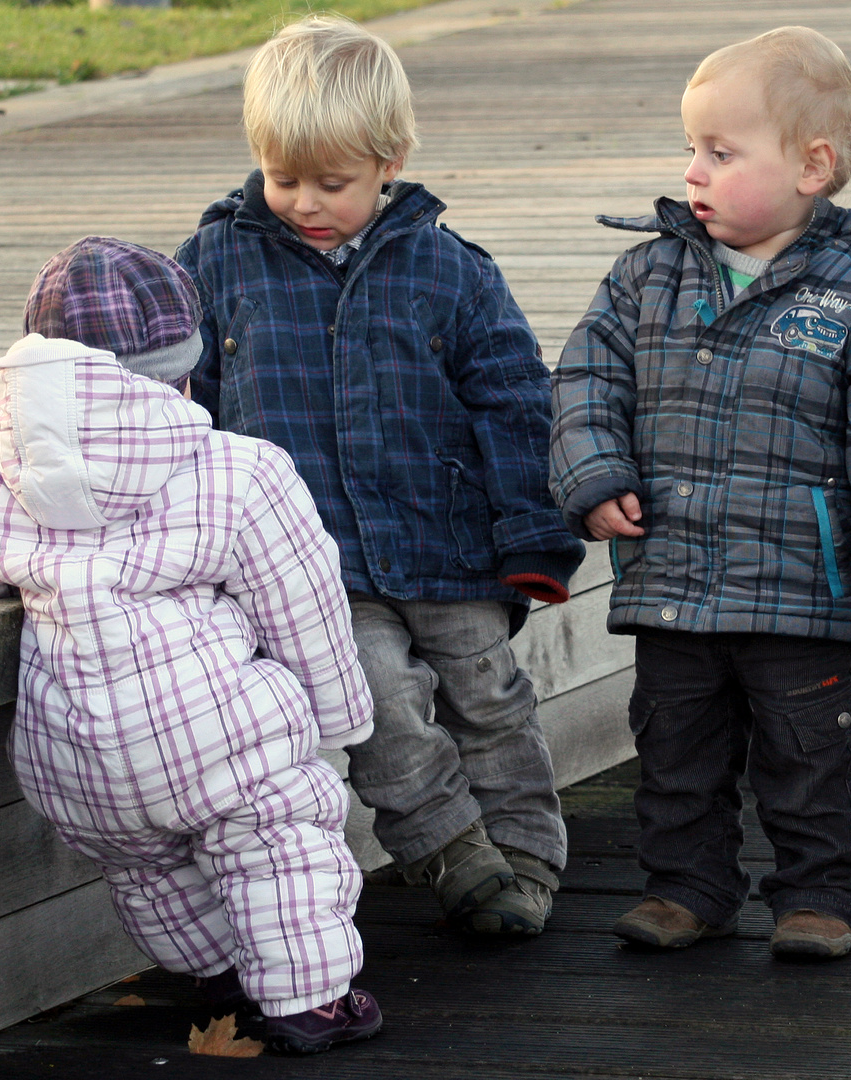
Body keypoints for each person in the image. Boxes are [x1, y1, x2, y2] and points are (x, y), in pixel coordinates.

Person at [0, 237, 382, 1054]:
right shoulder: (237, 470)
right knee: (276, 837)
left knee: (146, 869)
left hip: (75, 760)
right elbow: (303, 604)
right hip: (213, 735)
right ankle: (309, 1000)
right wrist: (340, 717)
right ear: (182, 371)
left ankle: (219, 971)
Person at [549, 26, 851, 959]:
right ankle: (686, 885)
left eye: (722, 153)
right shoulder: (647, 276)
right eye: (691, 148)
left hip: (803, 592)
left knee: (810, 751)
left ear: (813, 167)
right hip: (675, 578)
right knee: (674, 748)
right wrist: (594, 476)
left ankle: (819, 892)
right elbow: (583, 381)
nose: (693, 172)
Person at [174, 14, 585, 936]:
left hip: (447, 540)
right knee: (376, 700)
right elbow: (175, 406)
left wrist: (534, 534)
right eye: (284, 179)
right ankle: (453, 853)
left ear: (390, 160)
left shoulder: (452, 272)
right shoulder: (213, 266)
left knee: (488, 695)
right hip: (312, 562)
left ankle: (526, 849)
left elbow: (517, 402)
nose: (305, 203)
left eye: (333, 183)